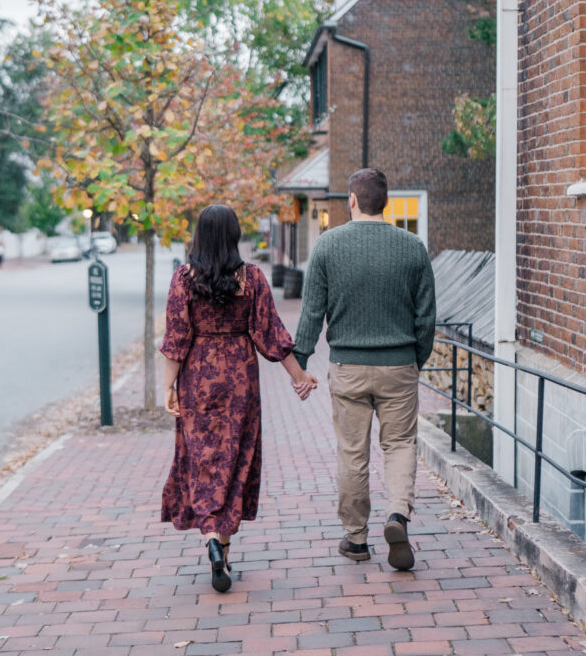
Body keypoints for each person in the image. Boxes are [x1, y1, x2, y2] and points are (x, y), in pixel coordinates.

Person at [160, 204, 317, 593]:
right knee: (235, 458)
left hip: (198, 376)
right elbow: (272, 335)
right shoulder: (252, 278)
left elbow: (176, 339)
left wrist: (168, 387)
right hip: (240, 379)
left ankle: (211, 537)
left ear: (199, 235)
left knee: (203, 458)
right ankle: (223, 548)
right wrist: (300, 378)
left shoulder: (183, 279)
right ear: (233, 235)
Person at [293, 168, 436, 571]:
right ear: (385, 203)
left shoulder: (327, 246)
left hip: (348, 366)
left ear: (352, 200)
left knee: (352, 453)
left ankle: (356, 539)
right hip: (399, 365)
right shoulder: (413, 248)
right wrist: (415, 360)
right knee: (400, 445)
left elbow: (311, 314)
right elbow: (426, 318)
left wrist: (299, 365)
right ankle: (397, 515)